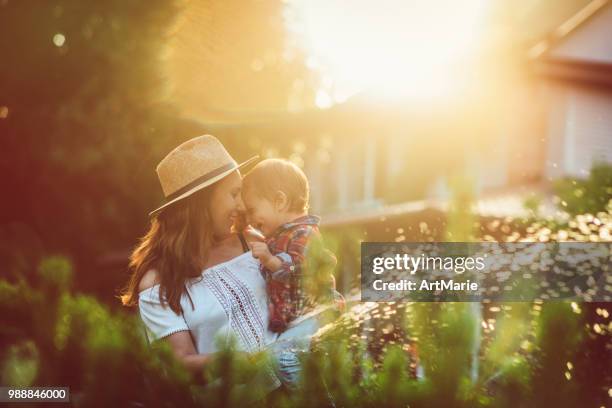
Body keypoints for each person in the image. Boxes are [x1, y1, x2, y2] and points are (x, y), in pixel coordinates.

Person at [121, 135, 280, 394]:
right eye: (233, 194)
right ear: (202, 202)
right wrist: (227, 362)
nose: (241, 205)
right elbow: (179, 365)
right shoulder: (157, 282)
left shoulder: (252, 243)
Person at [241, 158, 344, 389]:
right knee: (279, 360)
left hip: (316, 315)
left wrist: (271, 260)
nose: (249, 219)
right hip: (298, 320)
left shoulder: (304, 233)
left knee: (284, 359)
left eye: (252, 210)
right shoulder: (277, 236)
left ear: (279, 201)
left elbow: (300, 268)